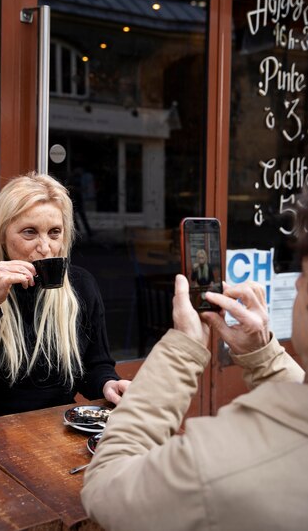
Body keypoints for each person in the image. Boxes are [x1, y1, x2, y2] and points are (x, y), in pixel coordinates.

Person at [82, 201, 308, 530]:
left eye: (303, 274)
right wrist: (262, 354)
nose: (298, 284)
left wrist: (182, 349)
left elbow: (106, 490)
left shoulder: (218, 464)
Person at [0, 172, 130, 428]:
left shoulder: (80, 285)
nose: (45, 247)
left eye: (55, 232)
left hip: (51, 432)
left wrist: (108, 384)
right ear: (2, 234)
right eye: (29, 232)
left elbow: (94, 364)